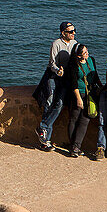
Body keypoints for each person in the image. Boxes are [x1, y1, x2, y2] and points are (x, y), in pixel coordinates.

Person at [33, 21, 77, 151]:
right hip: (53, 76)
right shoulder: (56, 44)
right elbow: (52, 63)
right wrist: (58, 70)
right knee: (49, 103)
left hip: (66, 78)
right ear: (63, 33)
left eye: (74, 31)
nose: (73, 33)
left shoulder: (75, 44)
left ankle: (43, 126)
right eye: (70, 31)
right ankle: (45, 141)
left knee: (59, 105)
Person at [67, 43, 104, 159]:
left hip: (90, 94)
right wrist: (78, 98)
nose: (87, 53)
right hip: (79, 94)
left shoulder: (91, 60)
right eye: (84, 52)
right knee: (74, 118)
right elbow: (73, 83)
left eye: (87, 51)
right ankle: (73, 146)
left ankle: (76, 146)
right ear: (78, 56)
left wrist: (101, 87)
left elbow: (95, 75)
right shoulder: (73, 65)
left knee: (85, 119)